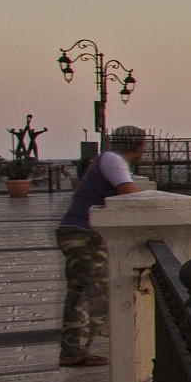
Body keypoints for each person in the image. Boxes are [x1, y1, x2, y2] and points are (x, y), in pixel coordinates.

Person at [55, 127, 147, 368]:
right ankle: (74, 351)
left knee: (84, 292)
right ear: (139, 146)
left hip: (80, 232)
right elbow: (129, 196)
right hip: (83, 234)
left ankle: (76, 349)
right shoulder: (114, 161)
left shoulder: (107, 159)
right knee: (89, 294)